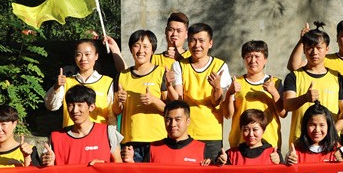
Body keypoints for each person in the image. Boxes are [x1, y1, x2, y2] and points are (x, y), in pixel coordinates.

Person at [167, 23, 231, 162]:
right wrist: (168, 86)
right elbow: (179, 101)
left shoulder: (220, 66)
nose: (197, 45)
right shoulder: (179, 65)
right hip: (186, 134)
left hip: (211, 134)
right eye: (193, 40)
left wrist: (217, 87)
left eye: (201, 41)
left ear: (210, 43)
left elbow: (217, 102)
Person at [45, 38, 122, 147]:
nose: (83, 59)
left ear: (96, 56)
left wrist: (112, 141)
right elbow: (51, 106)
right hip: (71, 137)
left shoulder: (107, 82)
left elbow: (111, 114)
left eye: (87, 54)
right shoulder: (66, 81)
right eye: (79, 55)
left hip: (98, 139)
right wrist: (56, 87)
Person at [282, 23, 343, 146]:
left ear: (327, 49)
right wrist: (305, 98)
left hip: (329, 145)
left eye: (319, 48)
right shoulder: (294, 76)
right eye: (310, 47)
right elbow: (287, 105)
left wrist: (331, 132)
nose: (314, 52)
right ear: (304, 50)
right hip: (300, 144)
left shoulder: (337, 77)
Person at [115, 29, 167, 163]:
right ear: (131, 49)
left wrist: (154, 100)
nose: (141, 51)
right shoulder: (122, 76)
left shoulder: (161, 73)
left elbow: (170, 110)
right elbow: (116, 111)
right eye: (136, 46)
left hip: (157, 139)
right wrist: (118, 101)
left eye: (145, 46)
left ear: (152, 50)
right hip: (131, 141)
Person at [225, 40, 283, 151]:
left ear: (265, 59)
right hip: (240, 142)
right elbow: (228, 115)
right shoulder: (236, 83)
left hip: (269, 142)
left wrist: (274, 93)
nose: (253, 61)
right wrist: (229, 93)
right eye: (248, 56)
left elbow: (283, 113)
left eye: (257, 56)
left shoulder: (275, 83)